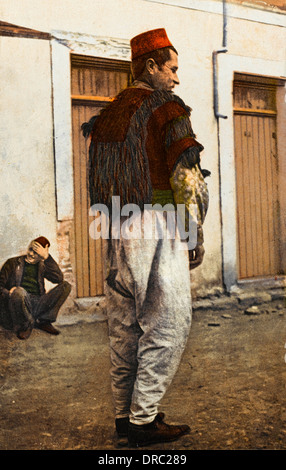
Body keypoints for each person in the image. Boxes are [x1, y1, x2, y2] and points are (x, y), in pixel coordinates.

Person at [85, 28, 209, 447]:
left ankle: (125, 416)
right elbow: (187, 178)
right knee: (169, 320)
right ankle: (143, 420)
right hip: (156, 222)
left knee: (124, 326)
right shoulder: (166, 108)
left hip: (113, 223)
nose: (176, 78)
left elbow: (99, 182)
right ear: (152, 66)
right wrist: (193, 231)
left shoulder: (111, 112)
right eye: (171, 69)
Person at [0, 236, 71, 340]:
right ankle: (26, 325)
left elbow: (58, 278)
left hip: (38, 301)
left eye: (36, 253)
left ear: (41, 255)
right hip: (20, 302)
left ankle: (43, 321)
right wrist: (8, 293)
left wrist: (47, 258)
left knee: (66, 286)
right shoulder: (12, 263)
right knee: (19, 291)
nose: (31, 254)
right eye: (30, 249)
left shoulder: (42, 264)